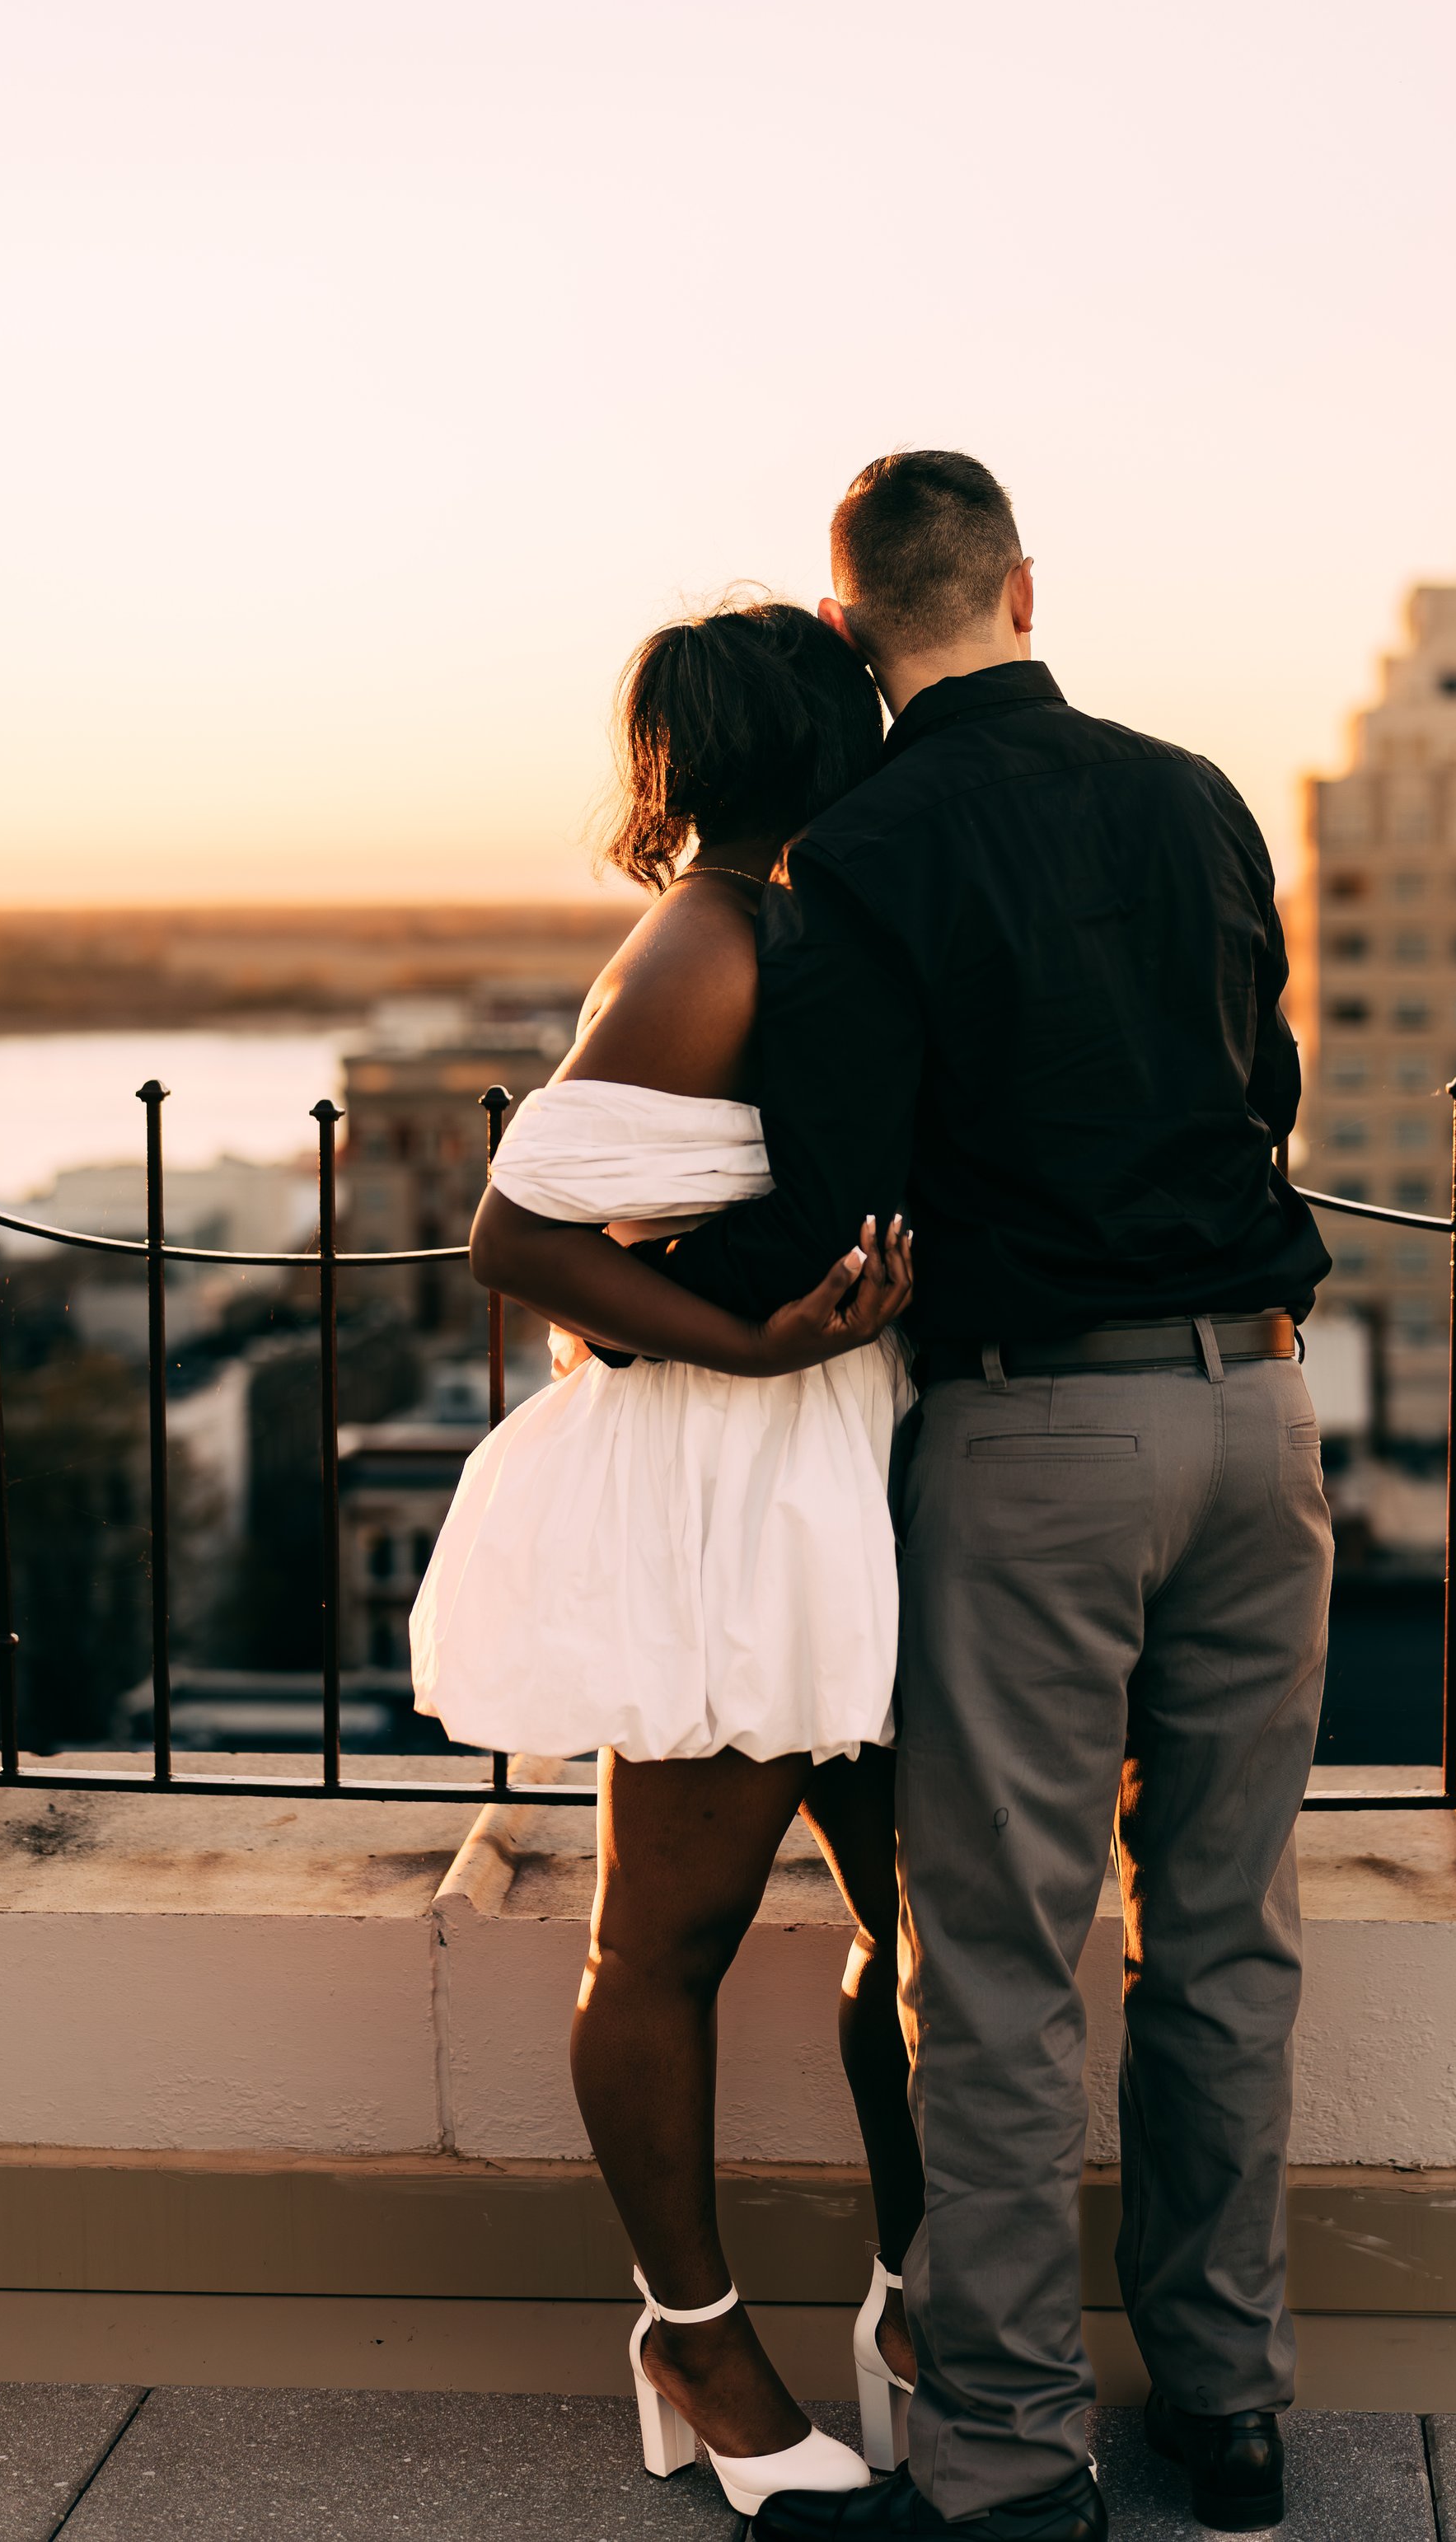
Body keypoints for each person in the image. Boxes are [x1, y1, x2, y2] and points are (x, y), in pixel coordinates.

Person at [645, 453, 1335, 2542]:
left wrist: (647, 1304)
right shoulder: (1196, 791)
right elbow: (1263, 1086)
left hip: (1038, 1437)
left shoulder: (854, 846)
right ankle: (1225, 2412)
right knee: (1225, 1938)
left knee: (1006, 1966)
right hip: (1260, 1416)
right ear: (1024, 588)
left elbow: (830, 1180)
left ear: (853, 634)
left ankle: (1015, 2459)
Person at [409, 599, 923, 2522]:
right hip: (734, 1477)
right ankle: (692, 2342)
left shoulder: (808, 928)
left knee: (925, 1930)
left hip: (852, 1472)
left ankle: (914, 2304)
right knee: (666, 1940)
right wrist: (761, 1342)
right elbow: (515, 1243)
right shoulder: (707, 939)